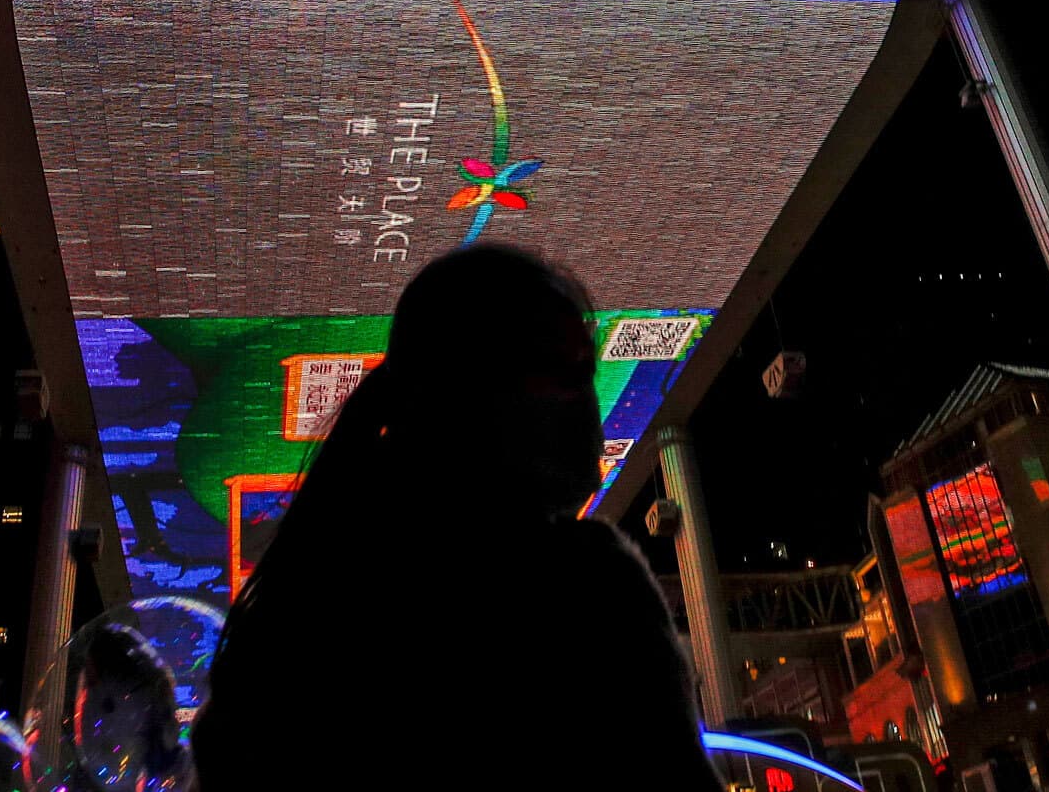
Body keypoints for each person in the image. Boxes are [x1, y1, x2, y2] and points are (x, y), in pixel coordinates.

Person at [191, 245, 718, 790]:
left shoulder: (305, 599)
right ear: (478, 395)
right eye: (568, 364)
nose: (589, 397)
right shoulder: (585, 583)